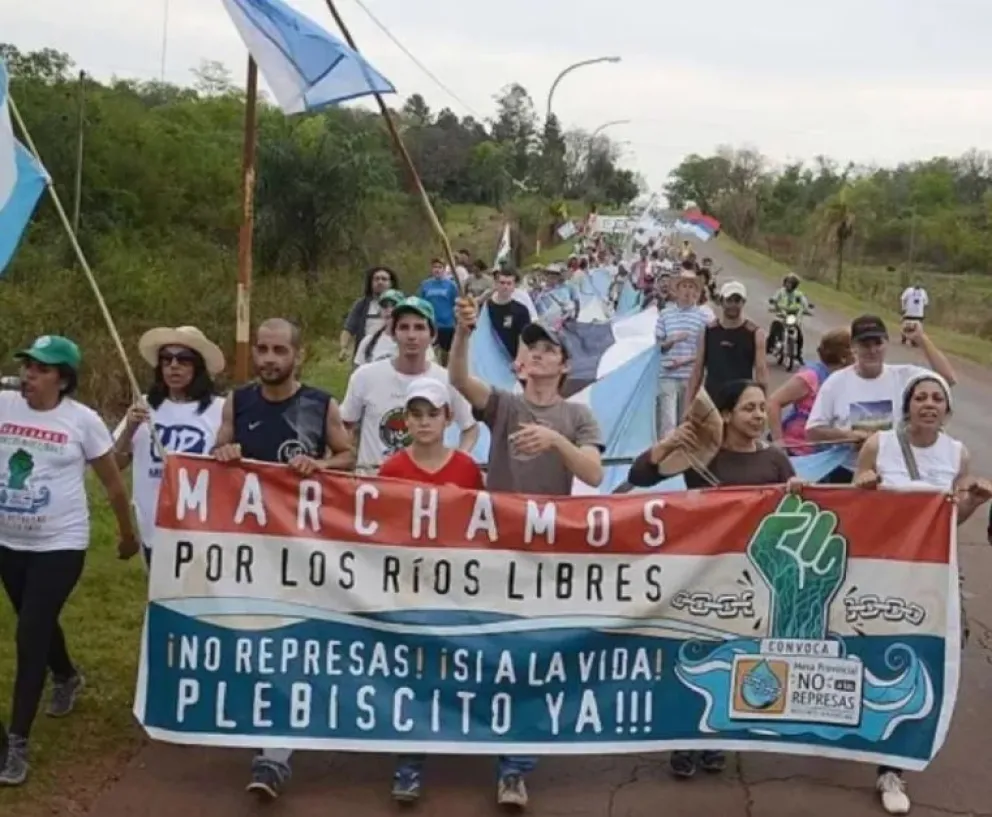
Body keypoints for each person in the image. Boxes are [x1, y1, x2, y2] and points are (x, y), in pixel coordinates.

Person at [449, 303, 604, 808]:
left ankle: (514, 767)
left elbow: (595, 475)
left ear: (562, 367)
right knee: (490, 650)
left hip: (548, 554)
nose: (537, 355)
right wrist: (464, 332)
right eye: (531, 349)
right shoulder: (504, 406)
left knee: (532, 656)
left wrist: (555, 439)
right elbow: (458, 378)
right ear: (521, 365)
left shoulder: (578, 415)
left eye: (548, 350)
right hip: (495, 548)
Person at [628, 380, 800, 779]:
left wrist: (795, 491)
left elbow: (797, 509)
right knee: (694, 655)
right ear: (724, 414)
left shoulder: (775, 460)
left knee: (739, 656)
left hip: (757, 577)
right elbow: (642, 474)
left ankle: (718, 738)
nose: (758, 416)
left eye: (762, 408)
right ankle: (684, 740)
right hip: (703, 573)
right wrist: (669, 442)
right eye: (748, 409)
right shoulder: (701, 455)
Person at [212, 318, 354, 800]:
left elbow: (348, 455)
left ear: (299, 355)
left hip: (303, 548)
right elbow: (218, 450)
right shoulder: (238, 401)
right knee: (253, 639)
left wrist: (320, 464)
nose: (270, 358)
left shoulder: (320, 404)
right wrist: (224, 451)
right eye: (263, 349)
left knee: (291, 642)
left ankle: (275, 755)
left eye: (279, 350)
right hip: (249, 548)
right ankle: (262, 728)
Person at [0, 335, 139, 787]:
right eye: (27, 368)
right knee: (32, 618)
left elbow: (113, 485)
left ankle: (15, 743)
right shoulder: (5, 406)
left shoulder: (83, 422)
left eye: (40, 370)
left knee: (30, 632)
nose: (29, 377)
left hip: (60, 543)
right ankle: (66, 675)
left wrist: (125, 534)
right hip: (8, 541)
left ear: (63, 378)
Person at [853, 371, 991, 815]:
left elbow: (952, 522)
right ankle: (849, 728)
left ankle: (891, 767)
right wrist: (865, 490)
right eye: (920, 397)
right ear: (907, 406)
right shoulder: (878, 446)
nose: (929, 404)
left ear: (947, 411)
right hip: (880, 570)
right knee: (872, 654)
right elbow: (856, 506)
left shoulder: (957, 454)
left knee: (928, 658)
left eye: (937, 399)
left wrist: (973, 502)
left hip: (933, 573)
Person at [378, 378, 484, 802]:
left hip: (457, 587)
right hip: (408, 589)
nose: (424, 422)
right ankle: (409, 763)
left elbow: (484, 529)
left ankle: (469, 743)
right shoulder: (392, 469)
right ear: (406, 420)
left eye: (432, 414)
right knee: (412, 674)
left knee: (458, 667)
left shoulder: (466, 469)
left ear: (448, 418)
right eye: (416, 414)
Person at [113, 326, 226, 568]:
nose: (173, 366)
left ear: (198, 367)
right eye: (166, 359)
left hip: (201, 526)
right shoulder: (143, 406)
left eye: (183, 360)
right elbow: (116, 464)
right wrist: (130, 428)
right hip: (153, 522)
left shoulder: (220, 410)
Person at [806, 315, 957, 476]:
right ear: (853, 347)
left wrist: (921, 339)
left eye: (878, 343)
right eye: (865, 345)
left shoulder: (904, 376)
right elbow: (813, 431)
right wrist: (847, 436)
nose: (872, 351)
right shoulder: (835, 382)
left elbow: (947, 379)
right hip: (848, 472)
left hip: (895, 472)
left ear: (886, 344)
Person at [340, 297, 478, 474]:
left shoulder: (447, 380)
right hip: (375, 485)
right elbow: (345, 425)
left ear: (432, 335)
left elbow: (470, 428)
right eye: (404, 327)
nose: (411, 336)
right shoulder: (365, 376)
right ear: (393, 333)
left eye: (419, 328)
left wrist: (456, 463)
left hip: (424, 487)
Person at [767, 328, 852, 457]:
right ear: (843, 356)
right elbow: (773, 402)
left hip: (828, 454)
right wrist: (778, 442)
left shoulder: (848, 378)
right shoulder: (811, 377)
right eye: (856, 349)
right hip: (798, 451)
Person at [685, 280, 768, 406]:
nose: (733, 305)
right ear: (721, 302)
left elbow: (761, 373)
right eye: (729, 300)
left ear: (743, 303)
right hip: (712, 400)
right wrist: (688, 405)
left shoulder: (755, 333)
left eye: (737, 301)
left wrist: (763, 406)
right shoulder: (708, 331)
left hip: (742, 402)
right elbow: (697, 371)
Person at [654, 270, 710, 437]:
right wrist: (672, 340)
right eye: (684, 286)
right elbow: (658, 347)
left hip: (691, 376)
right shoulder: (665, 315)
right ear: (676, 291)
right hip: (667, 374)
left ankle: (685, 456)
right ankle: (667, 457)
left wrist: (686, 360)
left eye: (691, 287)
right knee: (668, 422)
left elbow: (706, 351)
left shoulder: (703, 318)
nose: (687, 291)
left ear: (696, 293)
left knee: (687, 420)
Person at [352, 289, 434, 366]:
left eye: (394, 305)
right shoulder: (368, 342)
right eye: (385, 306)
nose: (389, 310)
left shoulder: (418, 342)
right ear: (379, 311)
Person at [339, 266, 400, 363]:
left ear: (391, 283)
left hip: (393, 353)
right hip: (365, 355)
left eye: (384, 279)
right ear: (370, 283)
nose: (380, 282)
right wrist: (344, 347)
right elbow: (348, 328)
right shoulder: (361, 305)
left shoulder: (402, 303)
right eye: (376, 279)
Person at [486, 267, 533, 367]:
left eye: (509, 283)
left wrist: (519, 360)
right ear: (496, 284)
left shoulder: (521, 310)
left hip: (511, 361)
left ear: (514, 286)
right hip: (490, 360)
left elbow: (524, 338)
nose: (505, 287)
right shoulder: (487, 307)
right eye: (502, 283)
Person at [418, 258, 460, 364]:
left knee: (446, 352)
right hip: (430, 324)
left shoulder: (451, 285)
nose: (437, 270)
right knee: (430, 352)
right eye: (435, 267)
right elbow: (421, 303)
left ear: (444, 269)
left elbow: (456, 303)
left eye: (440, 267)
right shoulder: (425, 285)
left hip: (447, 325)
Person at [766, 272, 811, 361]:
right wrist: (773, 301)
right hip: (781, 315)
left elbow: (803, 302)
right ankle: (768, 347)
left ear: (795, 285)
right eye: (787, 282)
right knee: (774, 329)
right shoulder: (780, 292)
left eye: (791, 283)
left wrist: (806, 308)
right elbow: (775, 298)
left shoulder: (798, 294)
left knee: (799, 334)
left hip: (793, 316)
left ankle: (798, 353)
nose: (788, 285)